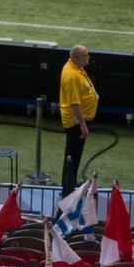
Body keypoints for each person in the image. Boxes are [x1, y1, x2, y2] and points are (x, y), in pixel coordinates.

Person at [58, 45, 98, 194]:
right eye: (86, 55)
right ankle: (67, 186)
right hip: (76, 123)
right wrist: (83, 125)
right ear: (77, 58)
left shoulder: (74, 67)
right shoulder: (72, 75)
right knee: (72, 154)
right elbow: (74, 104)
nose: (89, 58)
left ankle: (71, 181)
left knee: (75, 153)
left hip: (79, 121)